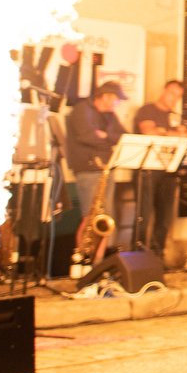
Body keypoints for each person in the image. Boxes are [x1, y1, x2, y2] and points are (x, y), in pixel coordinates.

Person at [65, 81, 128, 259]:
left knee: (105, 218)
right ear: (106, 96)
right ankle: (84, 258)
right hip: (88, 169)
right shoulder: (81, 110)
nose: (116, 104)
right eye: (116, 100)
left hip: (106, 169)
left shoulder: (109, 116)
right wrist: (107, 139)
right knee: (90, 216)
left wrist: (106, 136)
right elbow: (87, 137)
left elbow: (124, 136)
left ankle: (99, 262)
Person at [133, 80, 187, 255]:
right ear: (164, 91)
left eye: (178, 96)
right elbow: (148, 131)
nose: (174, 99)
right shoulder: (147, 110)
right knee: (144, 214)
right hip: (148, 170)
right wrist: (171, 132)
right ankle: (138, 252)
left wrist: (173, 131)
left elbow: (186, 137)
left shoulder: (175, 116)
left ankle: (158, 254)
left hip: (169, 171)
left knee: (164, 217)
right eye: (172, 94)